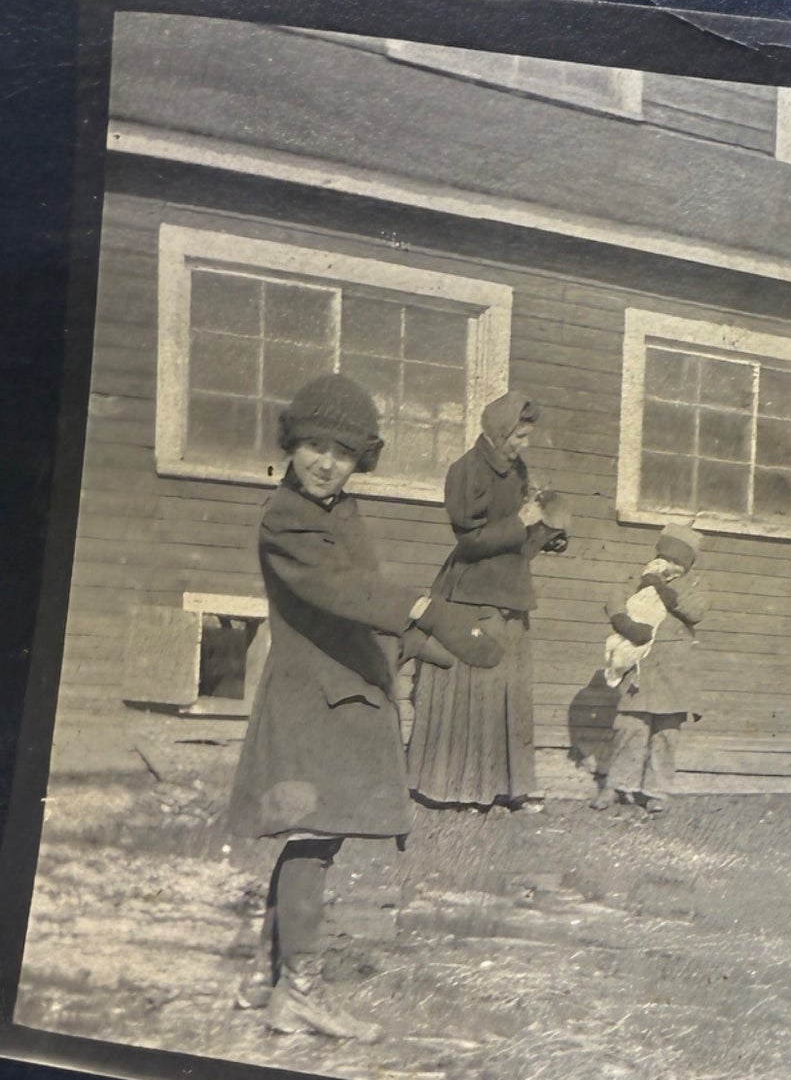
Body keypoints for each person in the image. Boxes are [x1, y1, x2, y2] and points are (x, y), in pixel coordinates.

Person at [229, 373, 503, 1041]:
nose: (326, 462)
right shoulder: (288, 516)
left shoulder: (336, 511)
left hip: (341, 692)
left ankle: (267, 978)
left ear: (361, 459)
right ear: (292, 443)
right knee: (312, 844)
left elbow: (354, 603)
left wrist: (415, 644)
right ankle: (296, 992)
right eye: (314, 445)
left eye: (343, 452)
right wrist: (426, 611)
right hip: (313, 703)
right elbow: (340, 591)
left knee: (311, 843)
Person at [407, 394, 565, 811]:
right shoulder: (467, 470)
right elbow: (471, 541)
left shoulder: (517, 470)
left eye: (527, 436)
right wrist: (521, 523)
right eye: (519, 436)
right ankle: (458, 788)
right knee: (477, 688)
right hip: (472, 594)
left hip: (509, 591)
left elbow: (517, 538)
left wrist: (546, 533)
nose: (523, 444)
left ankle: (506, 787)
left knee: (508, 691)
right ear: (498, 431)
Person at [594, 524, 707, 813]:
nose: (673, 567)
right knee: (630, 727)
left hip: (675, 670)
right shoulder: (639, 576)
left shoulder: (695, 585)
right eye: (669, 559)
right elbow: (615, 598)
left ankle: (657, 791)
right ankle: (617, 785)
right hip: (641, 667)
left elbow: (696, 611)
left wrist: (660, 587)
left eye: (680, 563)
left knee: (666, 734)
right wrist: (625, 623)